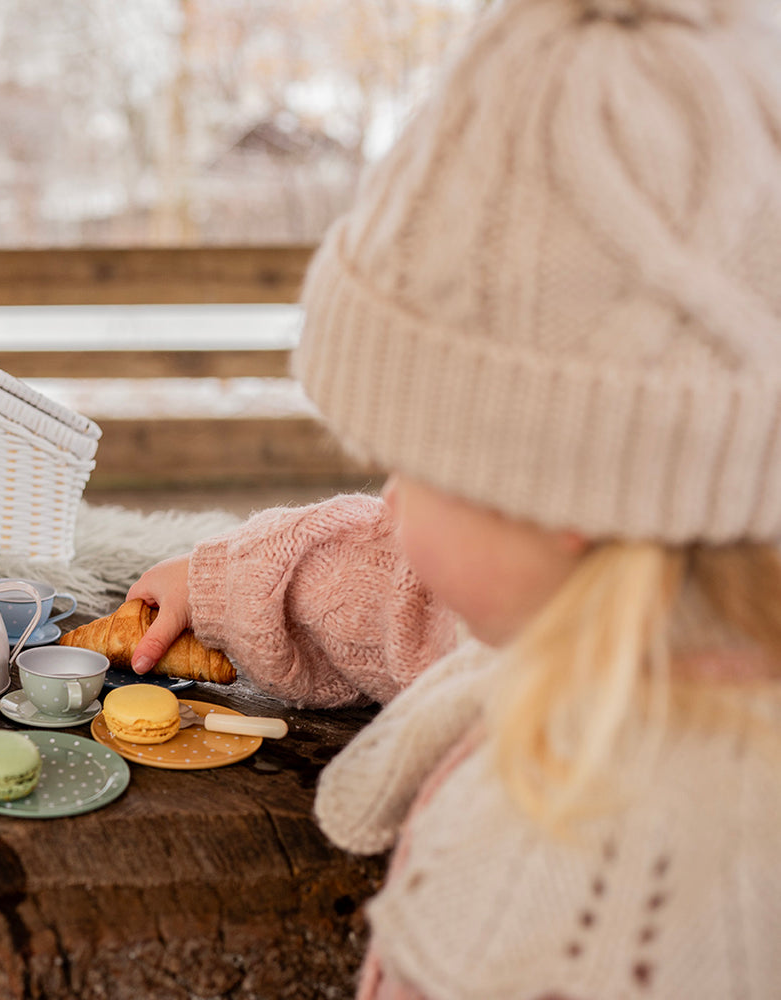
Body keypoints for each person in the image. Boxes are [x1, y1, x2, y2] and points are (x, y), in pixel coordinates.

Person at [126, 0, 781, 995]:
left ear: (557, 488)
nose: (388, 493)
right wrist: (229, 583)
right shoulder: (620, 624)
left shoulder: (600, 907)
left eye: (412, 460)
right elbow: (416, 598)